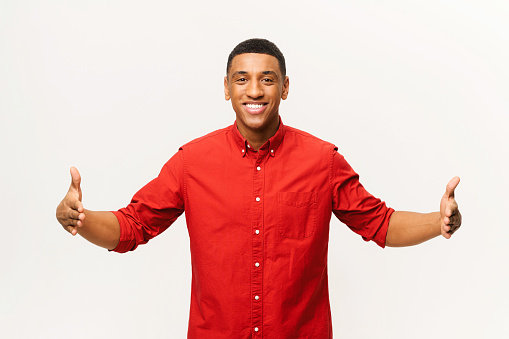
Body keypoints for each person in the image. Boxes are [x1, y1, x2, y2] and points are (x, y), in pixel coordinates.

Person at [56, 38, 462, 338]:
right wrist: (82, 219)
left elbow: (381, 224)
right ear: (228, 88)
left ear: (284, 87)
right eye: (242, 79)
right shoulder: (192, 162)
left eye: (267, 79)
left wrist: (437, 221)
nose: (255, 91)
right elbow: (132, 227)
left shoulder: (322, 161)